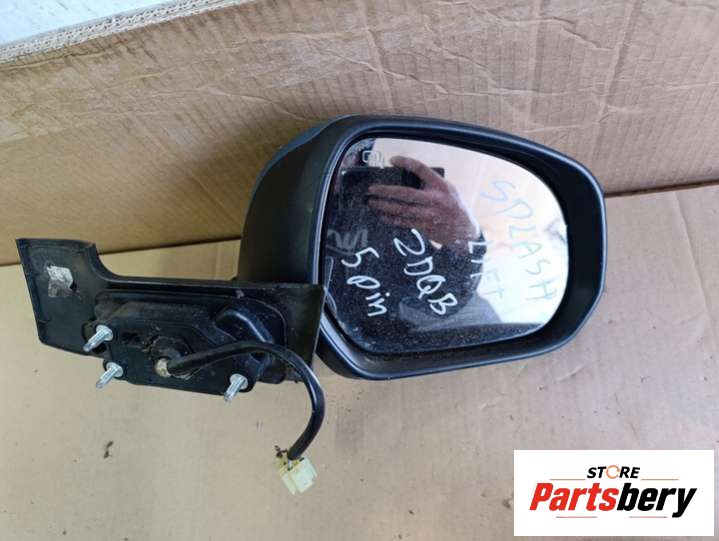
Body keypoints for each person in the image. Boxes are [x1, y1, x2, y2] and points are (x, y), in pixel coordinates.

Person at [323, 140, 499, 353]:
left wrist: (466, 239)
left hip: (359, 340)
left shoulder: (388, 211)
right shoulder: (298, 201)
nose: (338, 165)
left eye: (351, 155)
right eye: (329, 154)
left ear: (361, 159)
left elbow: (444, 301)